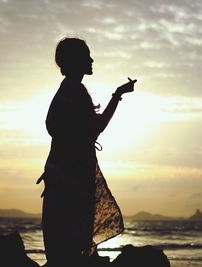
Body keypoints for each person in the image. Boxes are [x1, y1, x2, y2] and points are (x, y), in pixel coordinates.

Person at [37, 37, 136, 267]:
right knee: (73, 243)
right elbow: (95, 129)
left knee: (65, 241)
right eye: (87, 56)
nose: (91, 60)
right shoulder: (75, 92)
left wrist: (117, 94)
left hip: (63, 175)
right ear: (76, 61)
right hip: (72, 178)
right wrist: (117, 95)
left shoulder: (67, 91)